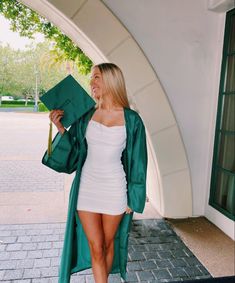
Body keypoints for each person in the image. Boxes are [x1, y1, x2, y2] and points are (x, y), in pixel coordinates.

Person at [43, 63, 148, 283]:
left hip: (115, 189)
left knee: (108, 244)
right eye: (92, 78)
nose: (92, 83)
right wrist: (61, 129)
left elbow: (139, 161)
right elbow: (74, 156)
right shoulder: (86, 116)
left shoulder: (132, 120)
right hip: (87, 189)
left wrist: (134, 197)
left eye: (97, 77)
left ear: (111, 80)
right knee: (96, 247)